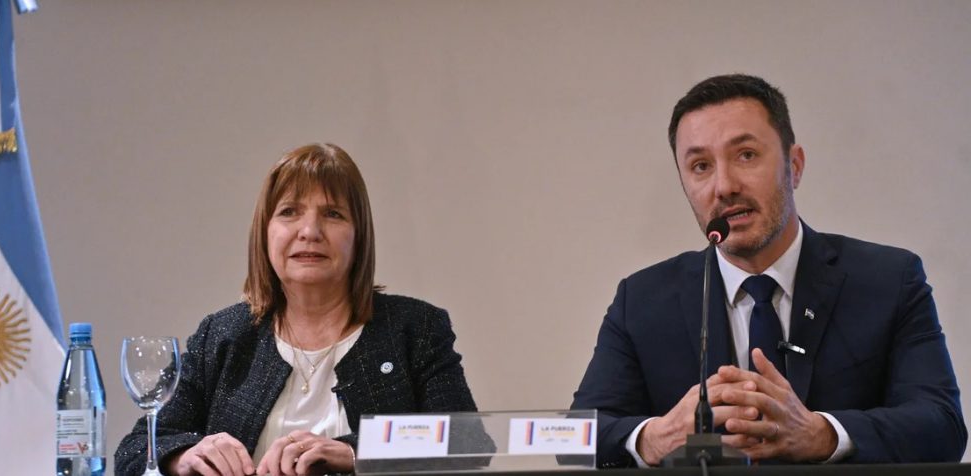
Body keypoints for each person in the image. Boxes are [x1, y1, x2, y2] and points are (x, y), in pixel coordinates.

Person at [571, 74, 966, 467]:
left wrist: (822, 434)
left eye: (746, 155)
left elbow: (943, 426)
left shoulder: (889, 280)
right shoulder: (641, 300)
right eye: (701, 166)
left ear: (794, 166)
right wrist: (654, 438)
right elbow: (572, 438)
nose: (724, 186)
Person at [115, 143, 481, 476]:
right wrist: (185, 456)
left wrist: (354, 453)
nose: (310, 231)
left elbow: (467, 443)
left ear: (359, 235)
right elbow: (135, 451)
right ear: (265, 232)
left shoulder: (415, 329)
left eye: (333, 214)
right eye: (289, 212)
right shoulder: (223, 336)